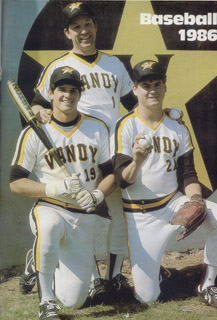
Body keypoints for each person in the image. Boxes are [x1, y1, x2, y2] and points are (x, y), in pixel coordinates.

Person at [22, 1, 137, 303]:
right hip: (78, 155)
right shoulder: (57, 67)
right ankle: (90, 278)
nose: (83, 31)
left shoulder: (113, 65)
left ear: (96, 27)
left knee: (119, 216)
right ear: (67, 32)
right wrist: (38, 109)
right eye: (76, 26)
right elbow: (35, 104)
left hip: (113, 153)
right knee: (81, 215)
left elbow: (133, 105)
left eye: (87, 24)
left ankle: (112, 277)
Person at [111, 59, 217, 307]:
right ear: (135, 89)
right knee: (147, 297)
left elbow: (188, 175)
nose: (152, 89)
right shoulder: (126, 125)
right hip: (140, 214)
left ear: (164, 87)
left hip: (173, 203)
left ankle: (207, 284)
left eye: (157, 83)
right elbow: (122, 180)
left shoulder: (177, 127)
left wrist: (195, 200)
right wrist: (137, 161)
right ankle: (158, 272)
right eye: (145, 84)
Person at [10, 66, 116, 319]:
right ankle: (46, 302)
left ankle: (40, 261)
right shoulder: (34, 131)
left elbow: (111, 173)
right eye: (61, 90)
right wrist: (53, 188)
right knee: (49, 228)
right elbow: (16, 183)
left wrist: (97, 195)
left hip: (83, 214)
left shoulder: (97, 127)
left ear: (80, 95)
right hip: (50, 207)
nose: (67, 95)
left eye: (73, 90)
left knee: (74, 301)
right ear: (51, 93)